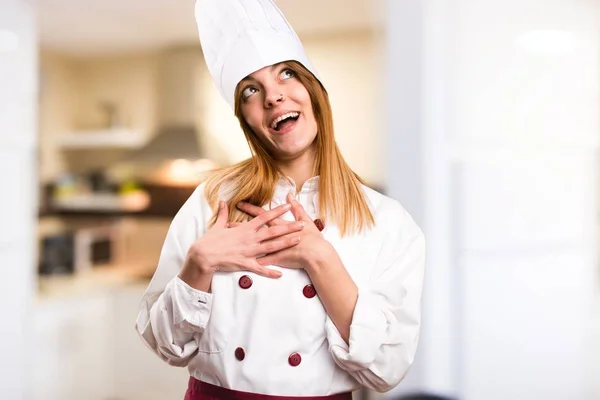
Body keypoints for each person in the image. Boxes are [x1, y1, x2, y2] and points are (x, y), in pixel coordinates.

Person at [135, 0, 426, 398]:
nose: (273, 97)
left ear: (313, 89)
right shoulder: (213, 199)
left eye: (286, 74)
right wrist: (199, 264)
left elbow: (387, 369)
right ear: (246, 119)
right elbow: (165, 344)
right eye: (250, 90)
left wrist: (319, 258)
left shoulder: (387, 221)